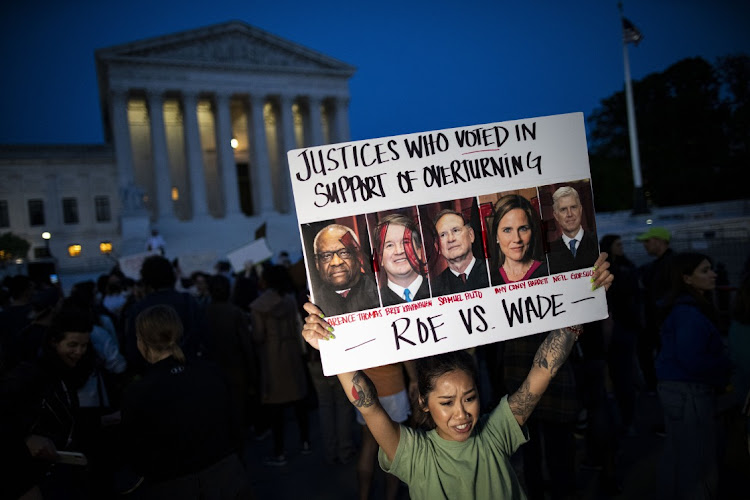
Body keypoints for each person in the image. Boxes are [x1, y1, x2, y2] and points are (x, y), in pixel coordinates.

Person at [300, 255, 613, 499]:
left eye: (470, 397)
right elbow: (368, 405)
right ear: (423, 402)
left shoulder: (498, 431)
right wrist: (332, 345)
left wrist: (582, 299)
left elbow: (544, 369)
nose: (461, 414)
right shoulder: (412, 454)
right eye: (447, 402)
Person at [118, 304, 252, 499]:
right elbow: (235, 423)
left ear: (141, 342)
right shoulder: (211, 372)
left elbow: (134, 454)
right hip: (226, 476)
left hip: (173, 485)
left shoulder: (138, 392)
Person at [655, 252, 732, 500]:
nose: (713, 274)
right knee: (698, 462)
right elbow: (692, 359)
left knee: (680, 455)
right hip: (691, 393)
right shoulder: (688, 313)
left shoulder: (684, 309)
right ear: (686, 278)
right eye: (705, 270)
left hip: (680, 391)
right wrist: (725, 368)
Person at [0, 301, 94, 499]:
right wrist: (26, 439)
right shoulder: (30, 375)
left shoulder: (65, 375)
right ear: (54, 342)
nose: (79, 352)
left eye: (84, 345)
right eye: (73, 345)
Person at [250, 265, 311, 466]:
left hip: (272, 356)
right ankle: (305, 442)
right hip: (292, 352)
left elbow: (258, 336)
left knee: (276, 406)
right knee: (299, 400)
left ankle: (280, 451)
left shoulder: (258, 306)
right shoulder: (290, 299)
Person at [636, 225, 674, 395]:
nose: (644, 245)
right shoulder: (660, 264)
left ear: (659, 242)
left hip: (662, 322)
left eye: (647, 241)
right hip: (658, 321)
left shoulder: (669, 265)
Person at [311, 223, 380, 315]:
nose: (336, 262)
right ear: (317, 263)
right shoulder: (315, 303)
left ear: (357, 256)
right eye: (326, 256)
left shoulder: (380, 292)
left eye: (344, 253)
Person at [488, 194, 549, 285]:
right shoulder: (489, 280)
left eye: (523, 229)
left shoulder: (548, 271)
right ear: (496, 236)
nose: (517, 239)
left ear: (532, 231)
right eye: (507, 230)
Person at [430, 209, 489, 296]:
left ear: (470, 235)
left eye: (456, 230)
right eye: (443, 235)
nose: (451, 239)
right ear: (437, 246)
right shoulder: (433, 289)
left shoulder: (492, 272)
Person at [374, 213, 430, 306]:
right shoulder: (373, 304)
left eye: (405, 242)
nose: (399, 251)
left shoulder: (442, 290)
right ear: (380, 258)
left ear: (419, 251)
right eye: (390, 245)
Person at [546, 186, 599, 274]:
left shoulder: (597, 242)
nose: (569, 214)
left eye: (573, 207)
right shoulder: (549, 253)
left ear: (580, 210)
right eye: (563, 209)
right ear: (556, 216)